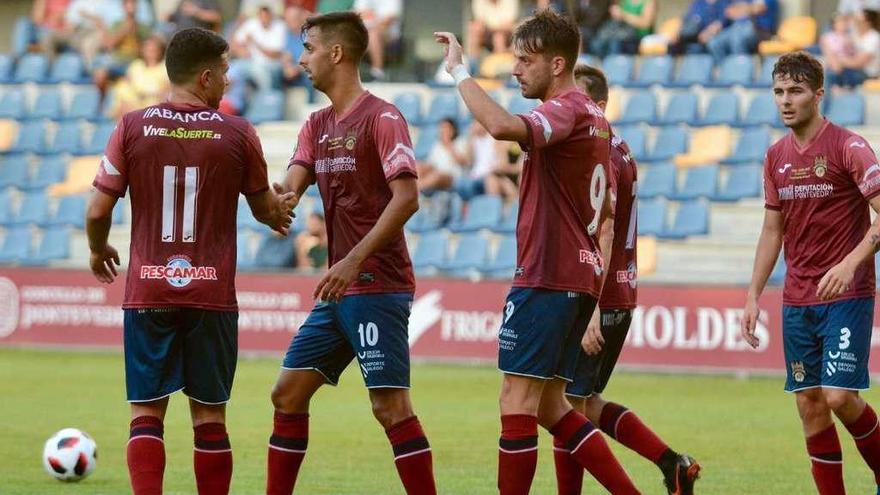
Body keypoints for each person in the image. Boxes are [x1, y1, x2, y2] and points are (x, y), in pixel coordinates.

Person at [436, 9, 640, 494]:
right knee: (552, 406)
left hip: (548, 272)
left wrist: (460, 72)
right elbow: (606, 207)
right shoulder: (597, 119)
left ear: (557, 63)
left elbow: (504, 127)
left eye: (525, 60)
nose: (515, 69)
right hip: (579, 276)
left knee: (516, 400)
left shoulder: (567, 108)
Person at [85, 27, 296, 495]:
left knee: (146, 412)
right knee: (209, 415)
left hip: (148, 289)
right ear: (204, 78)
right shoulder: (238, 132)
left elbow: (98, 210)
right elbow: (267, 211)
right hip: (211, 294)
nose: (227, 81)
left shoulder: (132, 126)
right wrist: (282, 208)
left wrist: (99, 249)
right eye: (223, 72)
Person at [265, 11, 436, 495]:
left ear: (336, 53)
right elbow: (292, 184)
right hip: (337, 292)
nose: (301, 60)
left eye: (309, 49)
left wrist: (353, 260)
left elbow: (408, 198)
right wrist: (275, 202)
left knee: (390, 408)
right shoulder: (316, 124)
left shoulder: (382, 118)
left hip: (376, 284)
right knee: (288, 393)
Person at [551, 63, 702, 495]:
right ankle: (672, 463)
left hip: (598, 295)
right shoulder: (620, 148)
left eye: (576, 100)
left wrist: (591, 306)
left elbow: (605, 228)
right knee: (586, 403)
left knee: (567, 409)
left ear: (598, 105)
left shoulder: (600, 153)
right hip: (617, 291)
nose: (567, 108)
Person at [742, 51, 880, 495]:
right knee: (810, 405)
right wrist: (752, 295)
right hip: (797, 298)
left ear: (819, 95)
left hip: (847, 294)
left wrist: (850, 262)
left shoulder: (849, 147)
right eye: (779, 91)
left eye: (796, 91)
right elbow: (771, 230)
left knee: (839, 396)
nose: (785, 101)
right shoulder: (776, 156)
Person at [107, 35, 170, 120]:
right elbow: (127, 83)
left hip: (153, 106)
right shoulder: (136, 65)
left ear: (160, 51)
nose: (150, 52)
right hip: (133, 103)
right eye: (148, 50)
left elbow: (166, 91)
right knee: (122, 90)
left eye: (153, 50)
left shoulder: (164, 68)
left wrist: (146, 94)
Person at [231, 5, 287, 91]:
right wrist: (241, 51)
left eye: (266, 17)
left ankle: (266, 99)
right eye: (262, 16)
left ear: (271, 16)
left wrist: (255, 43)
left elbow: (275, 54)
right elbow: (235, 43)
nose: (264, 19)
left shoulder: (280, 26)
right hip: (249, 61)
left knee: (262, 75)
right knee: (233, 69)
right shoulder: (251, 24)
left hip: (270, 64)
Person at [706, 0, 779, 62]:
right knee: (714, 43)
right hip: (736, 27)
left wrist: (743, 9)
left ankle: (740, 71)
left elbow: (758, 8)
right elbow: (729, 12)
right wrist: (745, 8)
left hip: (760, 30)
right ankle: (725, 71)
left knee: (737, 38)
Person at [826, 9, 880, 89]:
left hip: (867, 74)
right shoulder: (856, 34)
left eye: (861, 17)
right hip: (852, 69)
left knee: (830, 74)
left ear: (868, 22)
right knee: (828, 70)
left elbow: (858, 63)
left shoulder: (874, 37)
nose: (857, 19)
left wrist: (839, 61)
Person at [353, 0, 402, 81]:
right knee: (346, 33)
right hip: (364, 31)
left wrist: (369, 17)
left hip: (388, 33)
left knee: (373, 34)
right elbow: (356, 14)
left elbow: (389, 19)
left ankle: (378, 73)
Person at [589, 0, 657, 57]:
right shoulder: (623, 1)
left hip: (639, 38)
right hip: (621, 34)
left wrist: (624, 15)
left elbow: (645, 24)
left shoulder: (649, 1)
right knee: (597, 43)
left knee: (615, 44)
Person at [417, 118, 468, 193]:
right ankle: (416, 190)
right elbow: (431, 163)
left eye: (446, 128)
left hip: (453, 176)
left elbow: (463, 162)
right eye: (442, 128)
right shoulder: (437, 145)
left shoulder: (461, 142)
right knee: (418, 166)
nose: (443, 131)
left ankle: (413, 191)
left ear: (453, 130)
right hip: (436, 172)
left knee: (435, 175)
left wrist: (448, 144)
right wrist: (422, 167)